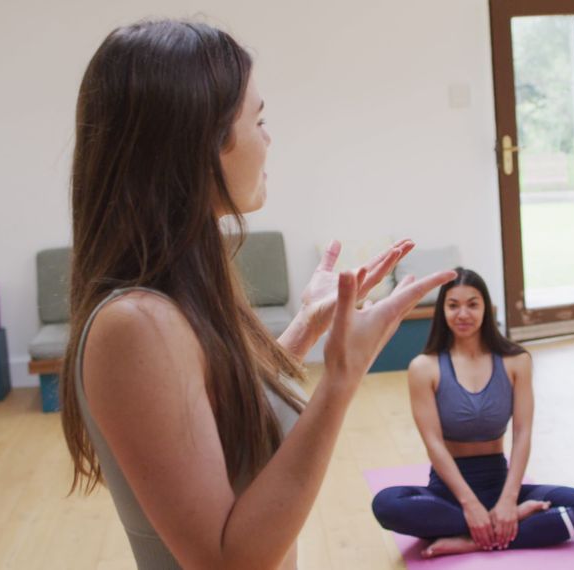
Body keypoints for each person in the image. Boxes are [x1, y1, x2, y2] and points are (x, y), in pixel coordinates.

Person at [59, 19, 454, 569]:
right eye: (259, 119)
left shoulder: (177, 293)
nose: (268, 138)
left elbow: (219, 417)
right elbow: (229, 561)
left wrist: (304, 330)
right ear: (202, 142)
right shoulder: (137, 325)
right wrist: (342, 376)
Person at [371, 268, 574, 558]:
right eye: (453, 305)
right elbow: (433, 444)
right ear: (442, 310)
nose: (463, 313)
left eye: (472, 304)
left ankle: (471, 539)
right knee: (387, 505)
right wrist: (470, 505)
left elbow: (522, 433)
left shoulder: (516, 361)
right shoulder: (424, 367)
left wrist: (508, 501)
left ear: (486, 308)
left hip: (501, 485)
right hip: (448, 494)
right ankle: (505, 525)